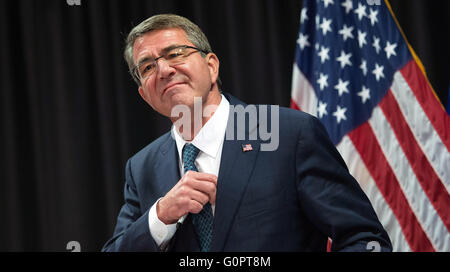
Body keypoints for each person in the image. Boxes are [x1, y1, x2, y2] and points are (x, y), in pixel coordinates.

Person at [102, 14, 392, 252]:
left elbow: (363, 239)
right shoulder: (142, 167)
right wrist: (160, 215)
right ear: (144, 94)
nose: (163, 70)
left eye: (174, 54)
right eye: (148, 67)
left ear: (211, 66)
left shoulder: (288, 134)